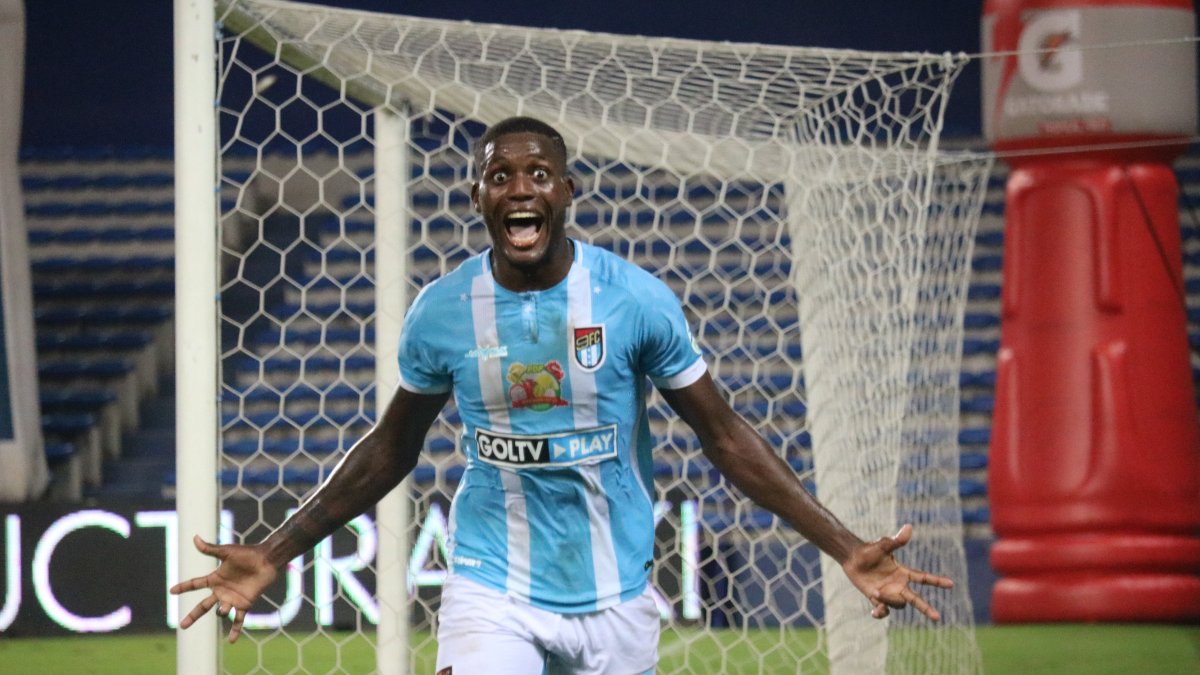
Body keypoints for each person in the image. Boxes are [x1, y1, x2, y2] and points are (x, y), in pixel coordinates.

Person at [172, 116, 954, 674]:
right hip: (492, 584)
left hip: (617, 594)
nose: (520, 188)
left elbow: (726, 437)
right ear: (478, 195)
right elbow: (389, 448)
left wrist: (846, 545)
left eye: (538, 174)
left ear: (566, 190)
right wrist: (276, 551)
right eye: (501, 174)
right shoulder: (442, 311)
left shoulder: (634, 300)